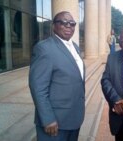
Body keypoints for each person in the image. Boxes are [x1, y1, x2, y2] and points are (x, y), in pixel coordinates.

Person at [29, 11, 85, 141]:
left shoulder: (75, 47)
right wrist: (48, 118)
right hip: (55, 122)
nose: (68, 26)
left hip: (74, 118)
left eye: (72, 23)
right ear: (54, 26)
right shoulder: (44, 48)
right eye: (63, 23)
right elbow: (38, 87)